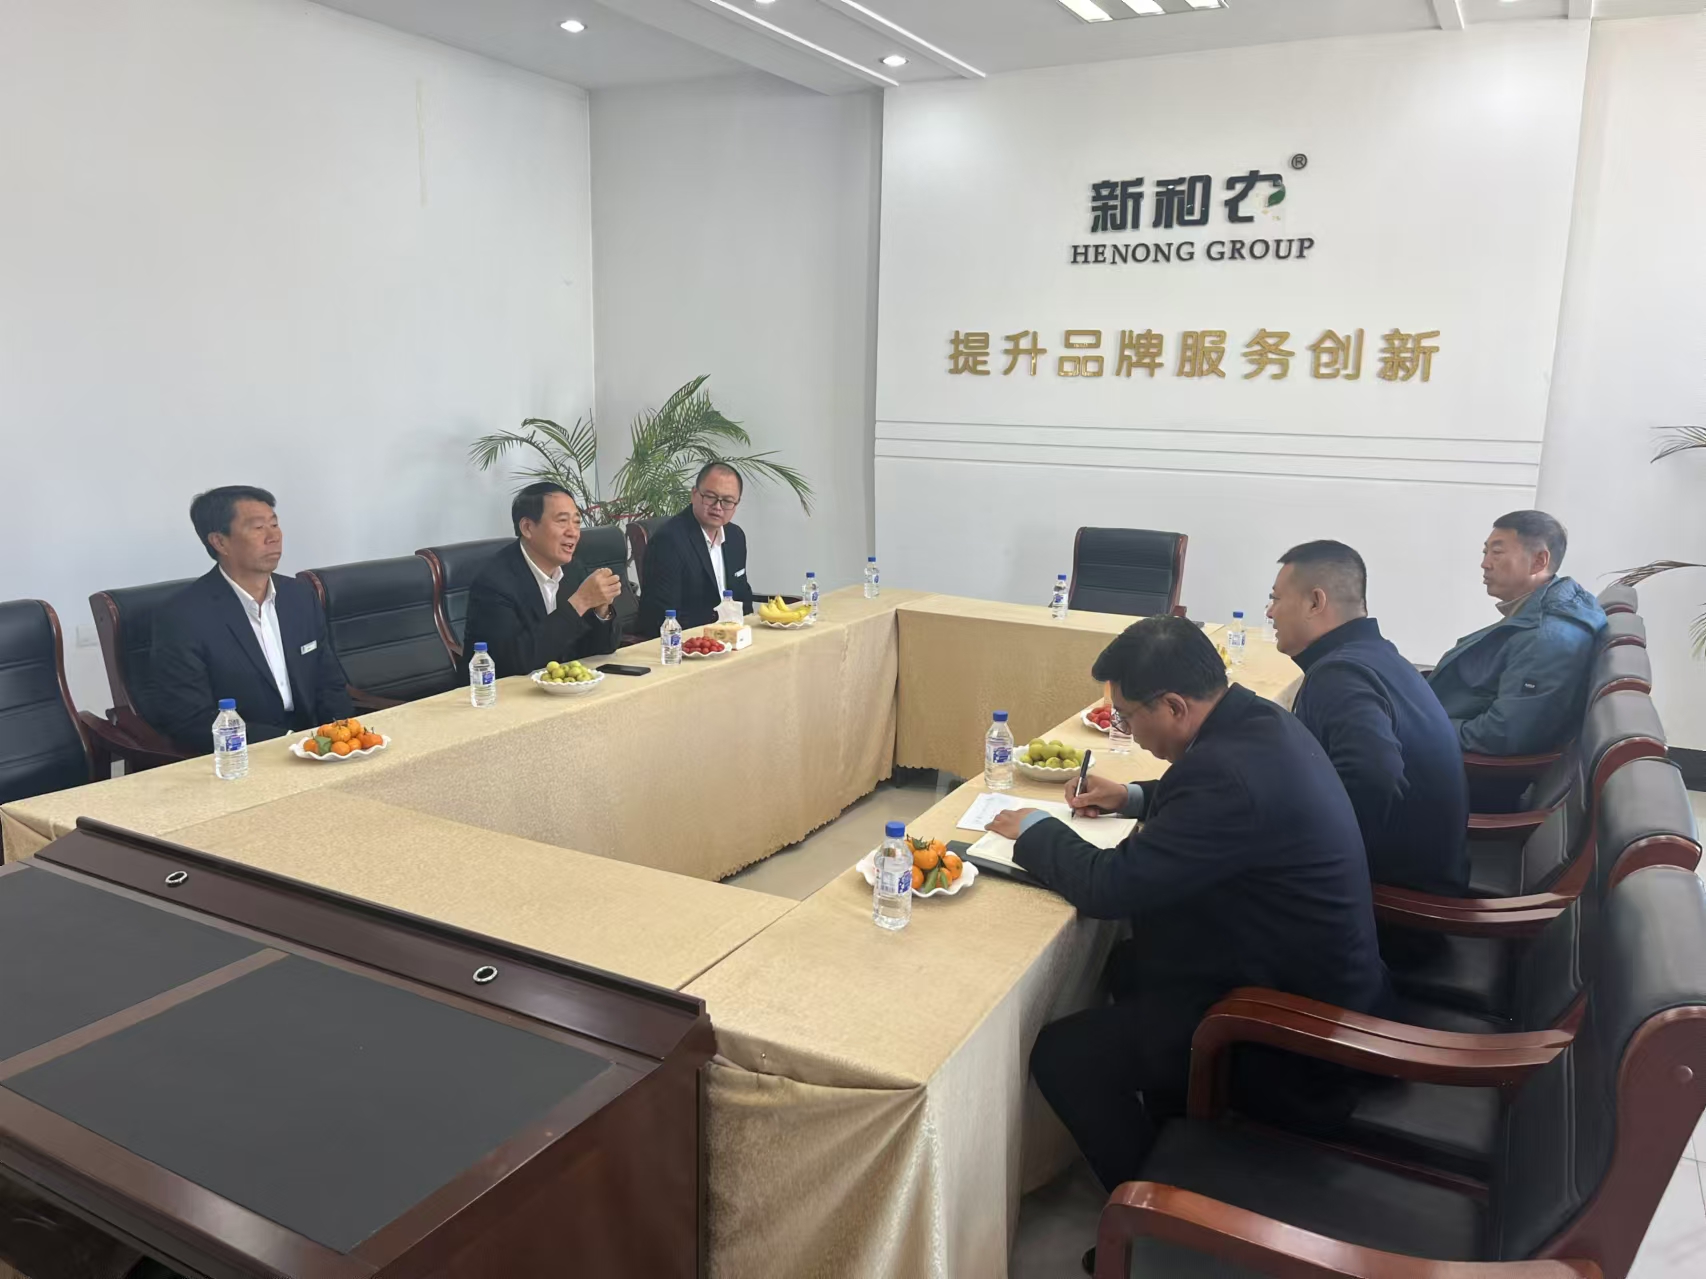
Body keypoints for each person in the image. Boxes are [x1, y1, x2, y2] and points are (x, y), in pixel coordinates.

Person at [985, 616, 1388, 1205]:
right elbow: (1211, 796)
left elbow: (1109, 888)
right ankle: (1173, 1128)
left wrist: (1035, 830)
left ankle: (1159, 1215)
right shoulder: (1256, 721)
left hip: (1292, 1035)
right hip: (1304, 977)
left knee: (1065, 1055)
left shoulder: (1225, 774)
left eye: (1129, 718)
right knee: (1126, 965)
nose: (1128, 732)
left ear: (1174, 706)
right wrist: (1132, 796)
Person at [1266, 540, 1470, 896]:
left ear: (1315, 602)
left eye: (1276, 599)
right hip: (1431, 864)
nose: (1270, 612)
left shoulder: (1339, 675)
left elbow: (1372, 780)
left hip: (1394, 892)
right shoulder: (1375, 655)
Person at [150, 486, 353, 753]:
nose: (274, 537)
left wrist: (339, 738)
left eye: (274, 524)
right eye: (258, 528)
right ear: (220, 542)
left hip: (318, 745)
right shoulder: (182, 616)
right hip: (244, 754)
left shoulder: (299, 596)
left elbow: (329, 683)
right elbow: (190, 719)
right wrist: (288, 743)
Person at [1428, 510, 1607, 757]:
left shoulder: (1546, 639)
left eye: (1497, 552)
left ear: (1539, 561)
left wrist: (1419, 727)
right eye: (1485, 552)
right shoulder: (1539, 611)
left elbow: (1500, 736)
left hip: (1458, 765)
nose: (1485, 563)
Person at [460, 482, 621, 679]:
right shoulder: (494, 583)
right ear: (527, 528)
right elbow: (515, 662)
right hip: (501, 692)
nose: (573, 532)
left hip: (561, 687)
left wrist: (601, 610)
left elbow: (601, 649)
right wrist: (580, 602)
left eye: (577, 522)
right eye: (562, 521)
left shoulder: (573, 569)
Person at [637, 462, 756, 636]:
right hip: (689, 641)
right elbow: (661, 614)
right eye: (710, 497)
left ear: (736, 504)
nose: (718, 507)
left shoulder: (735, 536)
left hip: (732, 637)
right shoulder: (669, 541)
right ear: (694, 494)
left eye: (727, 501)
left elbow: (742, 595)